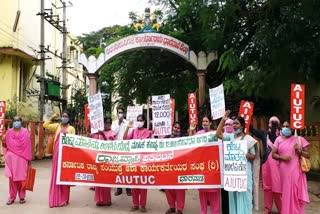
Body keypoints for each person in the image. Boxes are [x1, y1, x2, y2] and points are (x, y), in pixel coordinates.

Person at [216, 110, 257, 214]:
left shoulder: (248, 139)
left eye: (237, 123)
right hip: (233, 175)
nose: (234, 125)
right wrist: (223, 120)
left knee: (244, 198)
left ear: (242, 126)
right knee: (233, 198)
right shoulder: (231, 137)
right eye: (233, 123)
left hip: (244, 174)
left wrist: (248, 155)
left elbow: (253, 156)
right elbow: (218, 134)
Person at [272, 121, 310, 214]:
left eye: (287, 126)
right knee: (286, 193)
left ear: (292, 128)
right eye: (283, 126)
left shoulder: (299, 139)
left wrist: (299, 151)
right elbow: (273, 154)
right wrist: (281, 157)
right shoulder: (278, 139)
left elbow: (308, 155)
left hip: (296, 170)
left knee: (296, 192)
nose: (285, 128)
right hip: (283, 171)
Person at [189, 115, 221, 214]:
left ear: (211, 123)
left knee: (214, 196)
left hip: (213, 169)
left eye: (206, 121)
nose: (205, 123)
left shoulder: (215, 134)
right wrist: (191, 130)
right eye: (203, 121)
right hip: (202, 169)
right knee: (202, 197)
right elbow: (190, 144)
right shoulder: (199, 134)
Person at [250, 116, 282, 213]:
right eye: (271, 122)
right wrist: (247, 121)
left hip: (279, 166)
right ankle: (267, 208)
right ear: (268, 124)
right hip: (266, 165)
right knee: (267, 188)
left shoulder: (282, 136)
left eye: (274, 122)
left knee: (278, 188)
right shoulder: (264, 134)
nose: (272, 124)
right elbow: (253, 130)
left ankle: (282, 208)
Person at [43, 111, 75, 208]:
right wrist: (52, 117)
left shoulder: (71, 128)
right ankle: (56, 198)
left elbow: (73, 141)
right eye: (63, 116)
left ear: (69, 118)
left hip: (66, 155)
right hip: (57, 154)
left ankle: (64, 198)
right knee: (56, 175)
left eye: (66, 116)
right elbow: (45, 125)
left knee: (64, 175)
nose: (64, 118)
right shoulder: (57, 126)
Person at [1, 116, 32, 205]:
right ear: (12, 122)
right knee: (12, 180)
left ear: (21, 122)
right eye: (14, 120)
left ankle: (22, 197)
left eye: (18, 120)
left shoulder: (25, 132)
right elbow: (5, 145)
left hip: (22, 159)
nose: (16, 122)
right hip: (11, 159)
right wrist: (3, 139)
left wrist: (29, 160)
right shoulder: (9, 132)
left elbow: (28, 146)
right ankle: (12, 197)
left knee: (22, 178)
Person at [124, 114, 151, 212]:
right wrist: (128, 127)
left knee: (143, 184)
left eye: (141, 120)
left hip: (143, 161)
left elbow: (147, 143)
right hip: (133, 161)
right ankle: (135, 204)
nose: (139, 121)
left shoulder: (147, 132)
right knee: (134, 183)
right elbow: (125, 139)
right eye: (138, 120)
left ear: (144, 121)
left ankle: (142, 205)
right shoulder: (133, 131)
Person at [90, 117, 116, 206]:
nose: (107, 124)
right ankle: (99, 200)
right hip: (98, 159)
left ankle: (107, 200)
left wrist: (103, 136)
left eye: (109, 123)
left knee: (106, 180)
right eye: (105, 122)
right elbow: (90, 141)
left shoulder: (112, 133)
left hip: (107, 159)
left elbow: (110, 145)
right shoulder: (98, 133)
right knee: (99, 179)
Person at [165, 122, 185, 214]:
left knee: (179, 189)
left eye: (178, 128)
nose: (176, 129)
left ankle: (179, 209)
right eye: (175, 127)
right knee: (168, 188)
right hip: (168, 167)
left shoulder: (182, 139)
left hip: (179, 167)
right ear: (172, 128)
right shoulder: (166, 138)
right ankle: (172, 207)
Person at [111, 107, 131, 196]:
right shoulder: (114, 123)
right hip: (117, 148)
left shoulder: (127, 123)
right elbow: (113, 134)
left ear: (124, 113)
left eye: (121, 112)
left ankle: (128, 188)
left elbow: (130, 135)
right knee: (118, 169)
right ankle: (119, 188)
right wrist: (119, 123)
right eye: (119, 112)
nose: (120, 114)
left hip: (126, 148)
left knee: (127, 169)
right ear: (116, 113)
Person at [221, 118, 234, 214]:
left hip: (234, 169)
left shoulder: (236, 136)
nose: (228, 126)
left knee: (233, 193)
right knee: (225, 193)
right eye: (226, 124)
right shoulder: (222, 137)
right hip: (224, 169)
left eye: (230, 124)